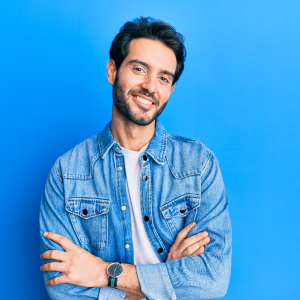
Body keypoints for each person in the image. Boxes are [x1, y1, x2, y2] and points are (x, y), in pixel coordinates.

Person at [39, 17, 232, 300]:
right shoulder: (67, 172)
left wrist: (106, 273)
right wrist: (163, 281)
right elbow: (64, 288)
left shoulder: (198, 164)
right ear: (112, 70)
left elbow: (213, 279)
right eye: (139, 69)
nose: (150, 87)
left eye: (163, 78)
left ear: (171, 89)